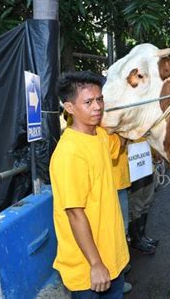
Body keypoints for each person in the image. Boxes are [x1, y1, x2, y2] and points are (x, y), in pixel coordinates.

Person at [50, 71, 129, 298]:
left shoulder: (100, 136)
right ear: (69, 107)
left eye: (99, 99)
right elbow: (75, 213)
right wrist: (96, 264)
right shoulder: (69, 153)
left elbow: (119, 143)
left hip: (112, 256)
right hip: (89, 269)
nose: (97, 107)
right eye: (88, 102)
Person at [111, 143, 133, 294]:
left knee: (122, 229)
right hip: (110, 186)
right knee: (112, 233)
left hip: (119, 182)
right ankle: (116, 277)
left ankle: (121, 267)